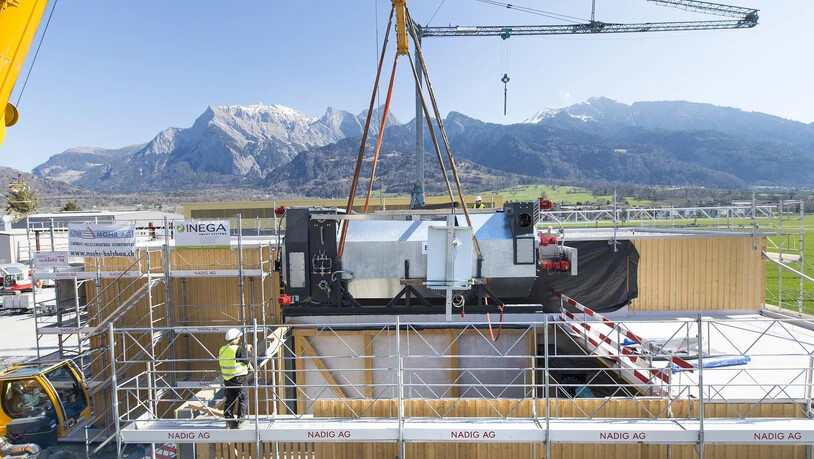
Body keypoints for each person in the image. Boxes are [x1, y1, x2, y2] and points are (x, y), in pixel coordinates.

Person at [219, 328, 254, 429]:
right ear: (235, 338)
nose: (239, 339)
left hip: (227, 379)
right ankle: (241, 420)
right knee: (243, 398)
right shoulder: (237, 349)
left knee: (230, 400)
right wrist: (247, 350)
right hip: (239, 379)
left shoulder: (222, 349)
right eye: (238, 337)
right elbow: (246, 360)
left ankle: (229, 420)